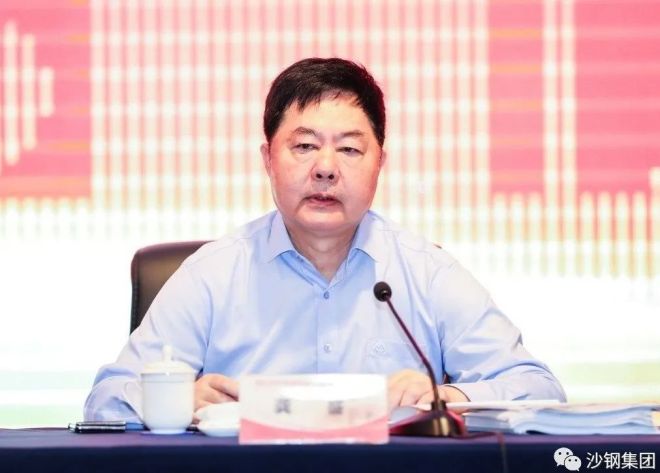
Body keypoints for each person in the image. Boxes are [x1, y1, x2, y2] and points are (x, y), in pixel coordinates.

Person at [84, 57, 565, 422]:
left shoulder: (426, 272)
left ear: (380, 163)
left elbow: (538, 388)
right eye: (304, 146)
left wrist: (449, 397)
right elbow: (105, 401)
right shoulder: (212, 274)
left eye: (350, 148)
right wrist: (175, 399)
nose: (326, 168)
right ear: (268, 159)